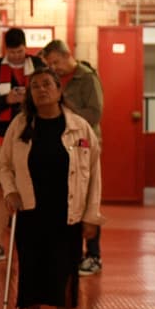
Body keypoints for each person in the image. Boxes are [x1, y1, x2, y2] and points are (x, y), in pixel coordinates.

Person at [0, 69, 101, 309]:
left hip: (68, 211)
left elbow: (94, 174)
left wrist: (92, 217)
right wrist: (10, 191)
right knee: (31, 270)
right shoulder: (20, 126)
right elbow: (5, 165)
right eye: (35, 86)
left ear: (59, 90)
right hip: (31, 211)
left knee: (64, 272)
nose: (41, 90)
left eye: (47, 85)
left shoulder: (79, 128)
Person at [0, 28, 45, 264]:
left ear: (25, 48)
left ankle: (34, 242)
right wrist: (6, 100)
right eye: (13, 52)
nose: (17, 56)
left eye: (20, 51)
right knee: (1, 187)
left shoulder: (38, 66)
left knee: (35, 186)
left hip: (36, 134)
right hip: (1, 135)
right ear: (5, 50)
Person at [41, 40, 105, 272]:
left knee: (88, 199)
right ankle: (70, 252)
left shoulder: (86, 78)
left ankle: (94, 255)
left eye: (56, 62)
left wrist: (66, 111)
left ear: (68, 55)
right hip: (61, 147)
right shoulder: (54, 80)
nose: (53, 68)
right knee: (67, 200)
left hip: (84, 146)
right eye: (49, 64)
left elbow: (95, 113)